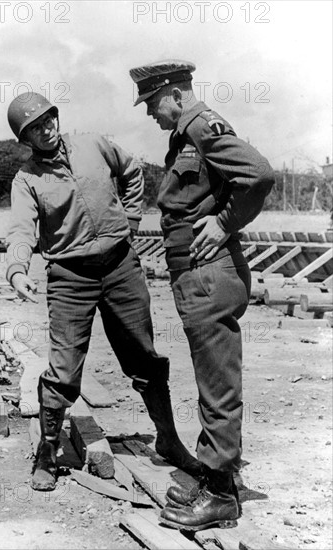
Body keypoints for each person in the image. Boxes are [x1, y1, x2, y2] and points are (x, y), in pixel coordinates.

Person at [6, 92, 203, 491]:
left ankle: (168, 440)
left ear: (56, 116)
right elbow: (21, 230)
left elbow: (132, 172)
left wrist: (130, 218)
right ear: (25, 139)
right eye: (35, 128)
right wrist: (17, 268)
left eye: (48, 119)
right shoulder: (27, 179)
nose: (46, 129)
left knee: (144, 357)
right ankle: (46, 452)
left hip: (120, 268)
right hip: (69, 276)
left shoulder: (95, 143)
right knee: (63, 371)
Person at [129, 60, 275, 531]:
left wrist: (224, 222)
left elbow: (258, 174)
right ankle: (214, 477)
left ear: (173, 94)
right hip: (196, 275)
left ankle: (221, 495)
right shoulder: (185, 135)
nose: (151, 113)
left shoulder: (203, 126)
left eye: (152, 103)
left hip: (209, 274)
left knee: (218, 386)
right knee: (211, 381)